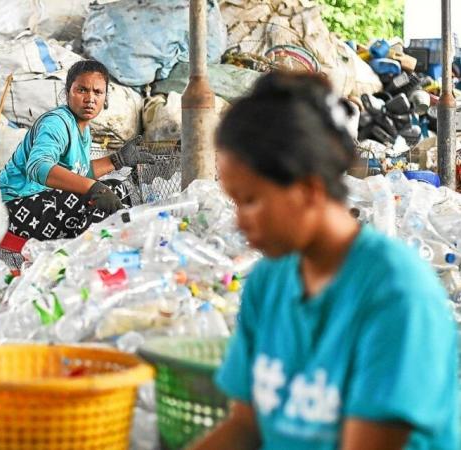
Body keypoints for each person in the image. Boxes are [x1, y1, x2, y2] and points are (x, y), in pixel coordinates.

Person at [191, 72, 458, 450]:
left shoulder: (395, 293)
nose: (239, 220)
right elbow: (245, 426)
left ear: (309, 189)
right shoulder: (270, 280)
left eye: (250, 201)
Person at [0, 59, 154, 240]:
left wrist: (116, 160)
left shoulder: (83, 130)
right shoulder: (56, 123)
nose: (90, 99)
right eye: (82, 90)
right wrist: (94, 188)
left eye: (97, 92)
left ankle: (101, 258)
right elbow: (38, 167)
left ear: (105, 98)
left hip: (41, 202)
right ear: (67, 92)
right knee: (96, 201)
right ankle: (84, 262)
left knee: (118, 190)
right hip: (12, 208)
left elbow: (78, 173)